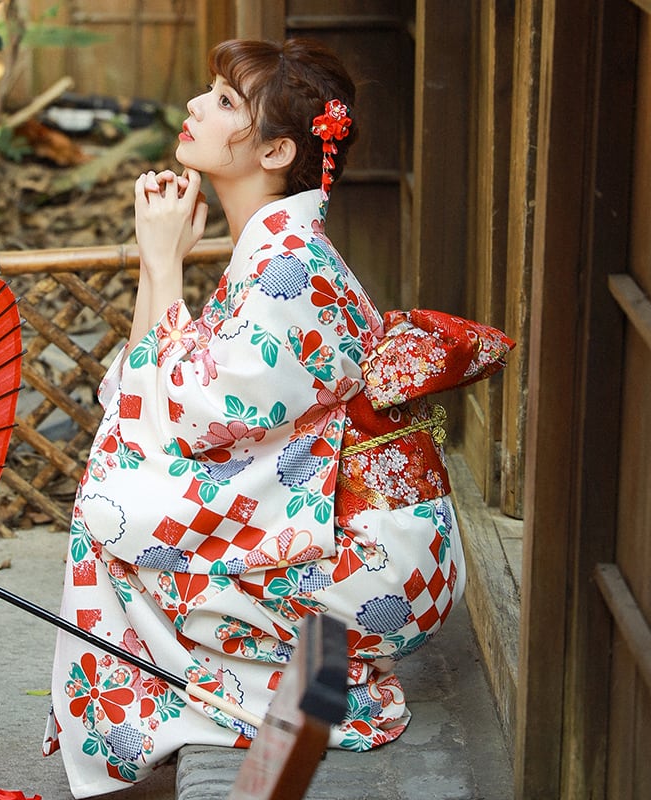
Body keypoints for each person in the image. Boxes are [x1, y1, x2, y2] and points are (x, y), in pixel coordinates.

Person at [44, 38, 513, 797]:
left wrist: (165, 264)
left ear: (276, 150)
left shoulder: (290, 265)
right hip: (349, 525)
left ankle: (192, 713)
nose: (196, 106)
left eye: (226, 101)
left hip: (376, 560)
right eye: (209, 92)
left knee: (117, 512)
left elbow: (190, 417)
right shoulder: (272, 252)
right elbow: (141, 394)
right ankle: (189, 705)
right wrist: (154, 263)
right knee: (120, 488)